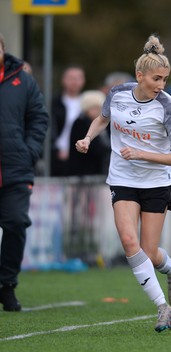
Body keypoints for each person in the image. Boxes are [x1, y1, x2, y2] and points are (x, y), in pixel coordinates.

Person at [75, 34, 171, 332]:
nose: (160, 85)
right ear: (140, 76)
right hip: (123, 178)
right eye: (156, 78)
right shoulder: (118, 93)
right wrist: (88, 137)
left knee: (150, 253)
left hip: (156, 183)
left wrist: (142, 153)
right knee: (129, 242)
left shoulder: (168, 107)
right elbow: (103, 119)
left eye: (164, 79)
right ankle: (163, 307)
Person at [0, 33, 49, 311]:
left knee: (16, 223)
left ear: (3, 49)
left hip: (15, 168)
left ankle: (7, 285)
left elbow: (39, 117)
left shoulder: (23, 80)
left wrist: (28, 151)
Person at [51, 65, 86, 176]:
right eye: (71, 78)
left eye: (78, 78)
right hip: (58, 156)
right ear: (63, 80)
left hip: (81, 157)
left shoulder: (88, 104)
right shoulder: (53, 103)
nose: (74, 82)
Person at [68, 90, 110, 176]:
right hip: (84, 172)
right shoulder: (80, 123)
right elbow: (94, 148)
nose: (97, 111)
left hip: (101, 170)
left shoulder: (106, 124)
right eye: (94, 108)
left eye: (99, 107)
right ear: (86, 109)